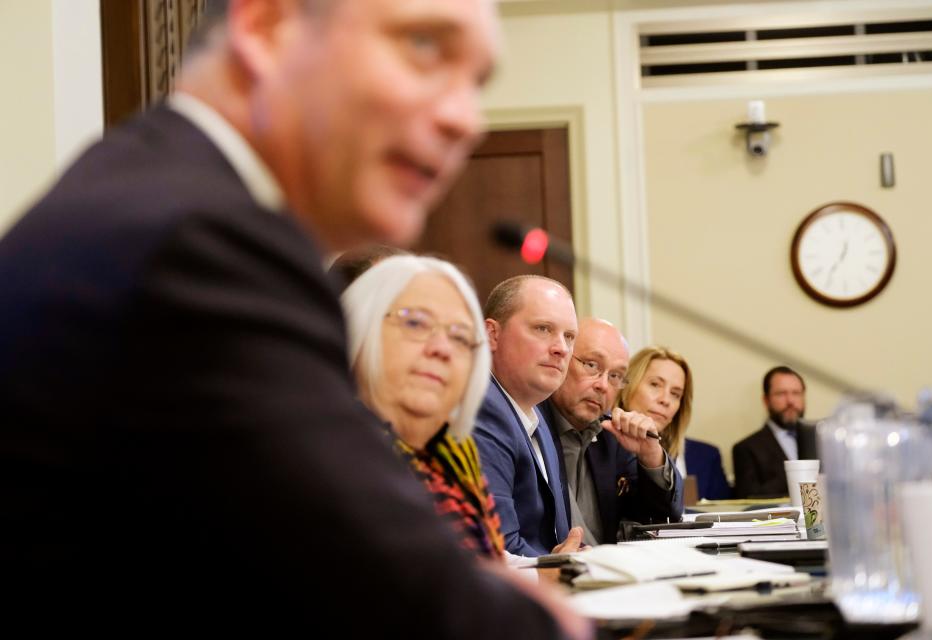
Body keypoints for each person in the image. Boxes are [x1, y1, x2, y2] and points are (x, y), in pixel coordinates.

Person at [0, 1, 589, 637]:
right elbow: (390, 587)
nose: (466, 120)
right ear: (267, 28)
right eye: (424, 48)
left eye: (476, 84)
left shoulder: (157, 190)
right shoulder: (199, 240)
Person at [341, 255, 504, 559]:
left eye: (459, 337)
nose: (441, 349)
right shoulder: (331, 454)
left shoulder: (457, 454)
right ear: (357, 330)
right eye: (415, 323)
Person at [539, 319, 682, 545]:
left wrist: (651, 457)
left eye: (615, 376)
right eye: (592, 365)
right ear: (562, 359)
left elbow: (659, 522)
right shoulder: (530, 425)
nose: (603, 385)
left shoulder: (613, 436)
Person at [473, 275, 585, 557]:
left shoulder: (534, 413)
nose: (561, 348)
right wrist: (563, 569)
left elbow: (557, 540)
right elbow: (498, 549)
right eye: (543, 329)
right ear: (492, 334)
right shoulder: (481, 407)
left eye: (569, 336)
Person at [618, 346, 731, 502]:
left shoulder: (705, 456)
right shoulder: (596, 446)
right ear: (627, 385)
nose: (665, 400)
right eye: (655, 384)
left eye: (675, 394)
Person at [733, 366, 817, 499]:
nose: (790, 401)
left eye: (796, 393)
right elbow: (748, 499)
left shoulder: (821, 440)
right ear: (766, 401)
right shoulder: (747, 448)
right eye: (781, 393)